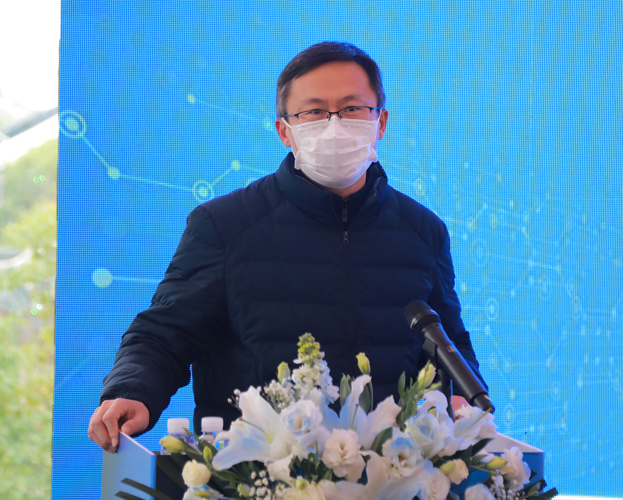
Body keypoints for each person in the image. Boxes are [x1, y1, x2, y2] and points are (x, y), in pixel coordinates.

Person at [88, 42, 486, 453]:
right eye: (314, 112)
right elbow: (163, 332)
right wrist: (133, 390)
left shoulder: (422, 231)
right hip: (254, 472)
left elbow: (449, 344)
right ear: (284, 131)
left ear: (380, 122)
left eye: (352, 108)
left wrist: (463, 401)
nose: (334, 125)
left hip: (391, 473)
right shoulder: (226, 225)